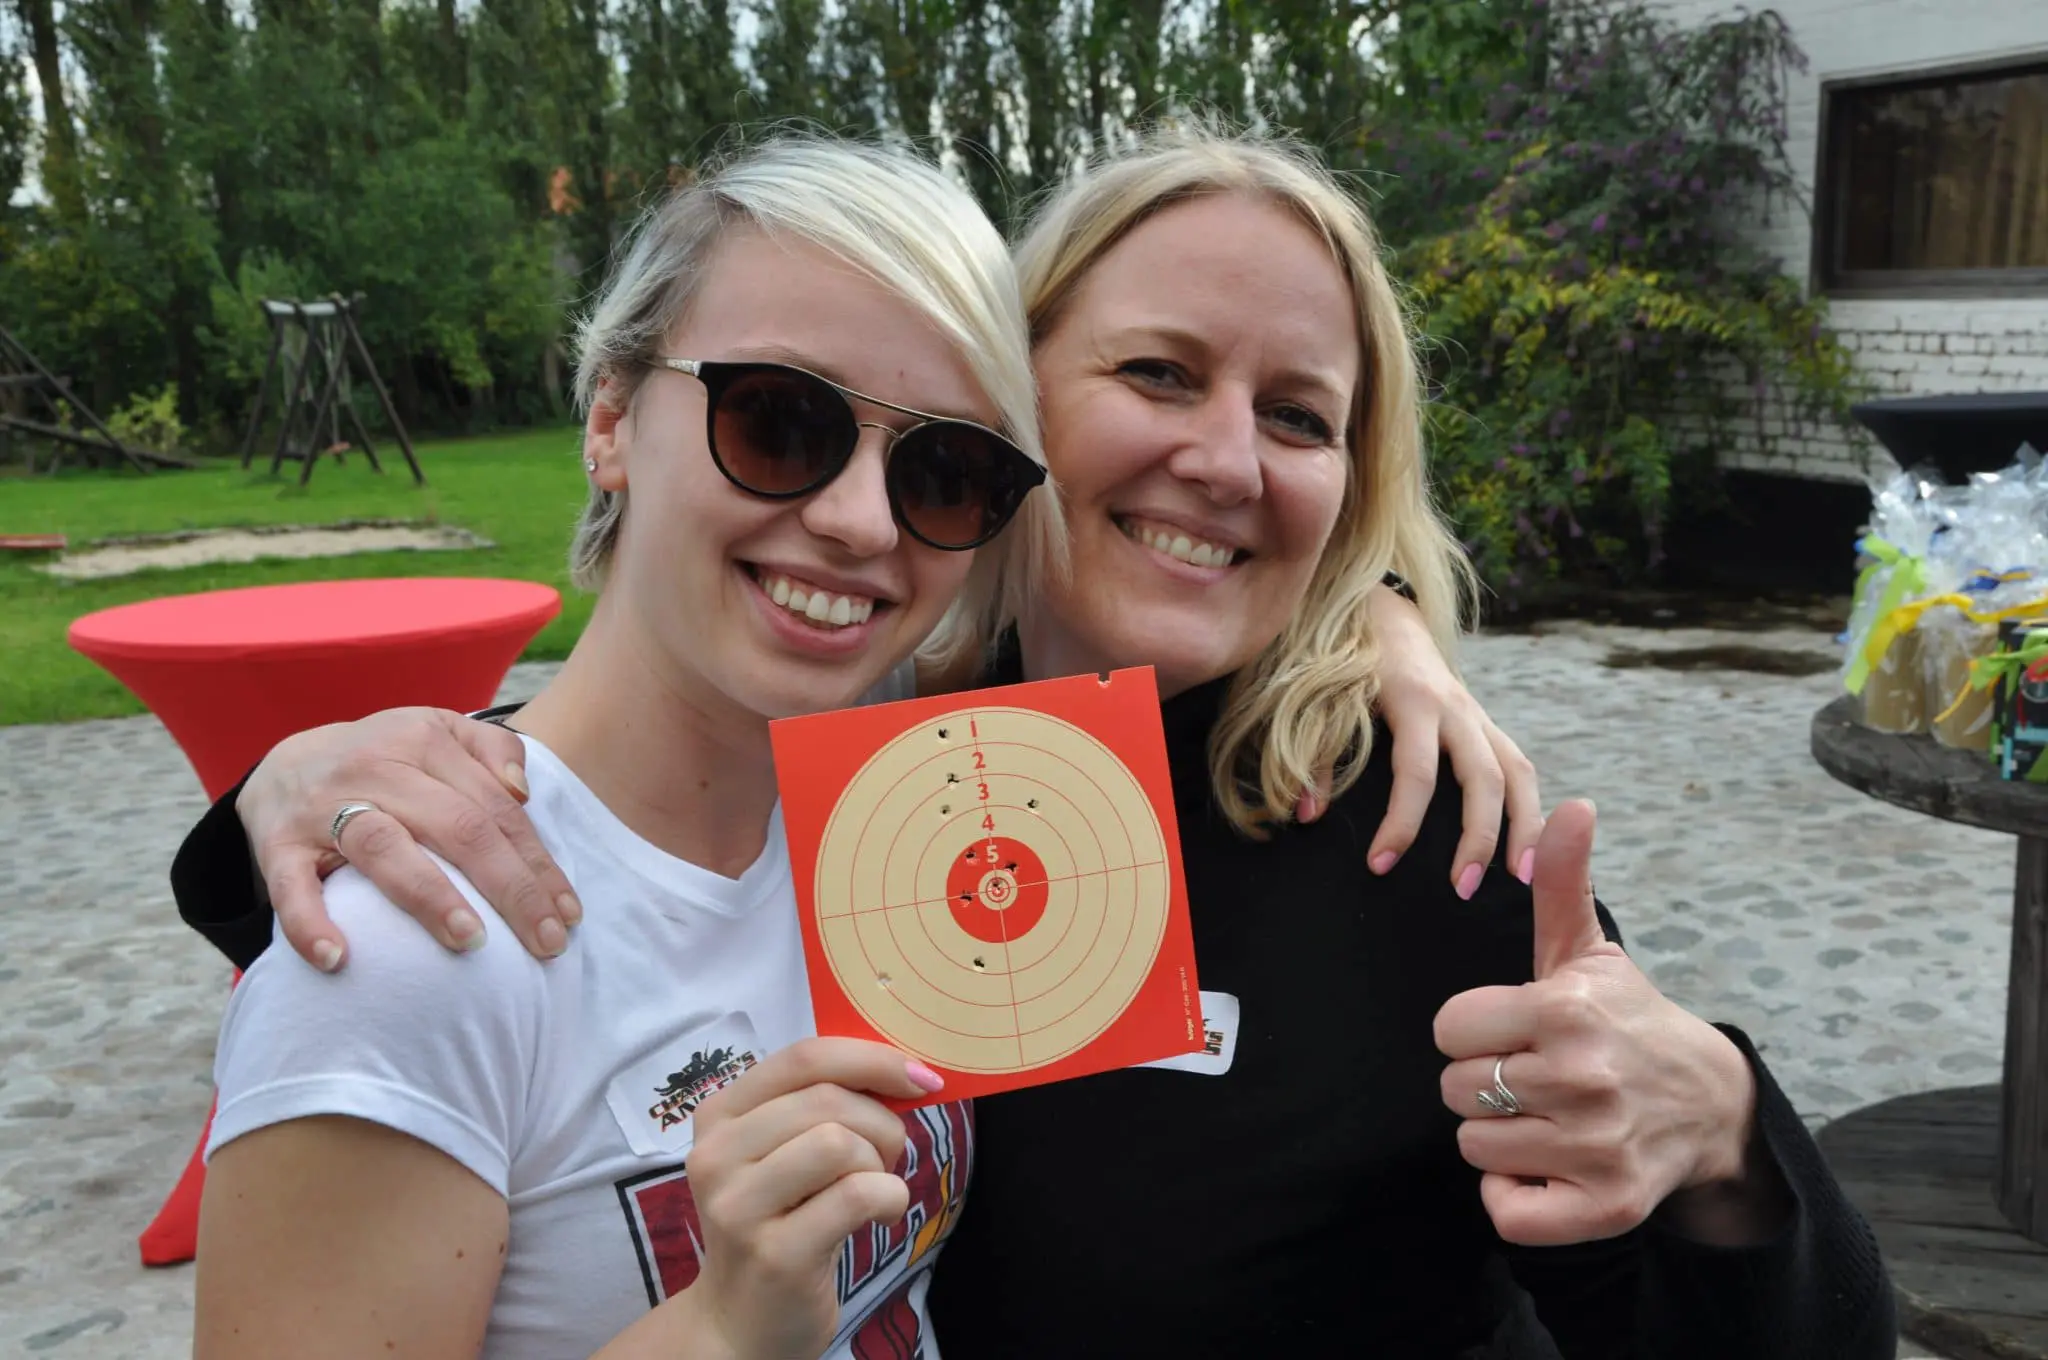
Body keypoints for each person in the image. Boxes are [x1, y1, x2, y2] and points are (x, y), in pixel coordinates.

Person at [175, 126, 1897, 1358]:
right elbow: (566, 881)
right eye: (1158, 373)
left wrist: (1726, 1142)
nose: (1226, 459)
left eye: (1299, 416)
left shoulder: (1416, 817)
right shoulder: (882, 747)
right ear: (1022, 410)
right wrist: (293, 789)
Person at [191, 135, 1059, 1359]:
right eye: (779, 419)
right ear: (610, 419)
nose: (863, 521)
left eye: (947, 470)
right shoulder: (408, 947)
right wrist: (717, 1331)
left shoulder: (900, 810)